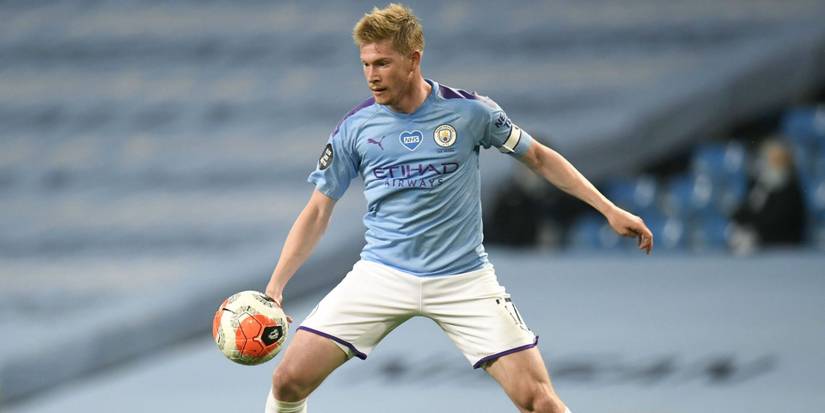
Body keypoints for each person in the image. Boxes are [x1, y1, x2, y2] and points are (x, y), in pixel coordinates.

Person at [263, 4, 653, 413]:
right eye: (365, 64)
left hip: (462, 278)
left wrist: (609, 210)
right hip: (382, 274)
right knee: (287, 381)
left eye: (382, 63)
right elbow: (317, 211)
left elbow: (538, 157)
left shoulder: (470, 112)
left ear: (413, 59)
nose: (372, 75)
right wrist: (276, 286)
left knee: (539, 401)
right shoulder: (355, 127)